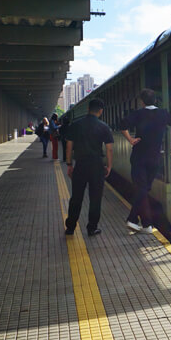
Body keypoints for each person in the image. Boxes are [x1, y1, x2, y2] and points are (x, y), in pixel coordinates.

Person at [119, 88, 171, 234]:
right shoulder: (163, 114)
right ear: (155, 100)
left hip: (139, 158)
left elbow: (122, 125)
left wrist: (130, 139)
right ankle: (147, 225)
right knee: (145, 190)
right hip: (155, 158)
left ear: (141, 101)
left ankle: (131, 219)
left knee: (141, 189)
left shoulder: (138, 114)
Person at [64, 99, 114, 237]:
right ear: (101, 111)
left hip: (80, 164)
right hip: (96, 165)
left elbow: (69, 146)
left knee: (76, 197)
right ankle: (92, 228)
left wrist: (69, 164)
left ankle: (70, 227)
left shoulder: (76, 125)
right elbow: (109, 149)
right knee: (95, 198)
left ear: (88, 109)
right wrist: (109, 166)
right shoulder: (104, 126)